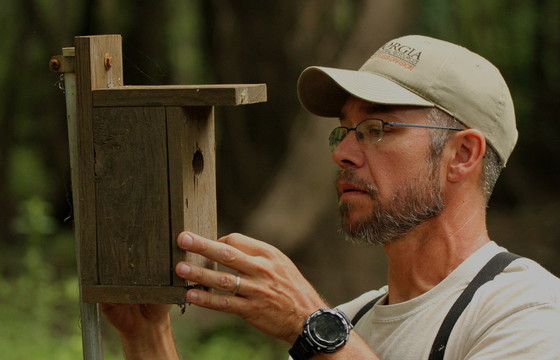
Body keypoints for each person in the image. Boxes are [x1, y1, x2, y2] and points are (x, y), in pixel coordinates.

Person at [102, 35, 560, 359]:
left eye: (378, 129)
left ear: (463, 154)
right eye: (344, 130)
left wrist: (310, 325)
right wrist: (148, 338)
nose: (343, 153)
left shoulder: (528, 311)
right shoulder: (350, 321)